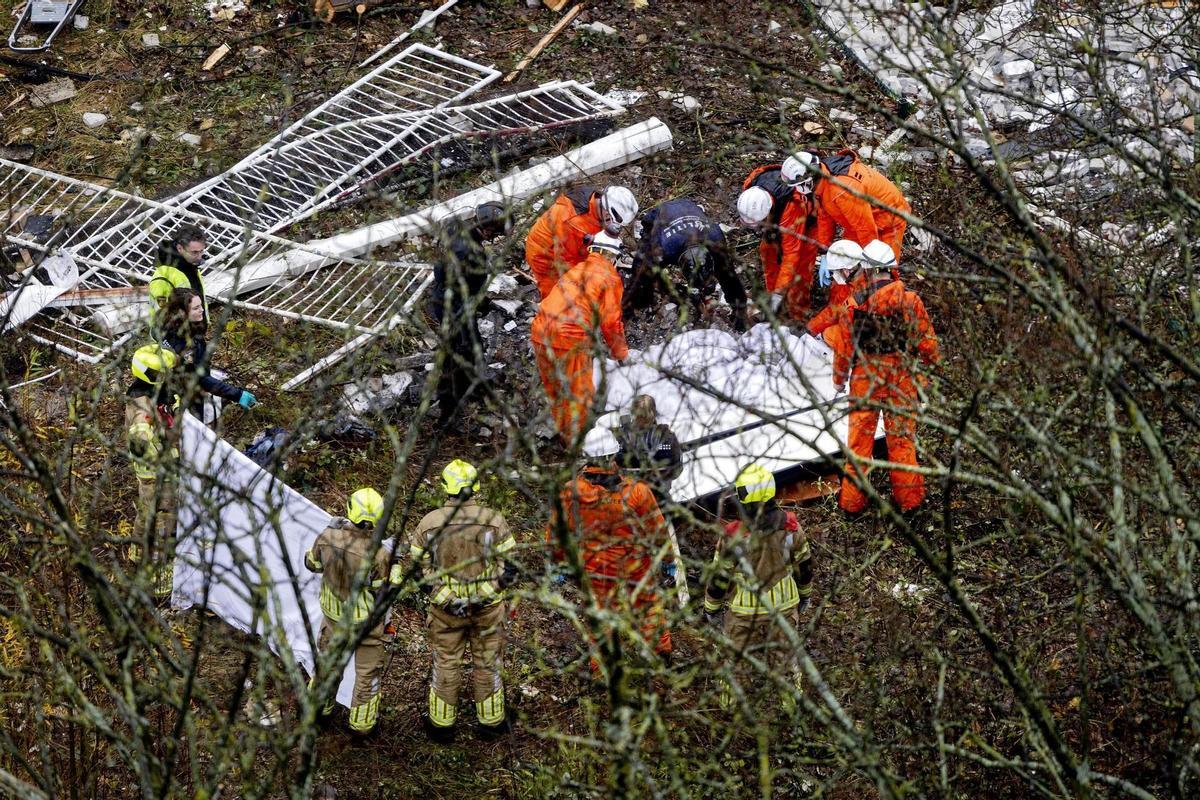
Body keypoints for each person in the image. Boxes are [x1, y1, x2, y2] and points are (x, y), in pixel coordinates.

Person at [409, 459, 517, 742]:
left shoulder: (429, 524)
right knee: (488, 663)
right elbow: (509, 568)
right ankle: (491, 724)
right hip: (487, 611)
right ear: (476, 487)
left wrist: (448, 599)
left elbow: (419, 571)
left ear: (445, 487)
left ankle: (441, 727)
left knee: (446, 662)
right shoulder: (493, 520)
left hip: (446, 613)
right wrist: (482, 597)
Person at [822, 254, 939, 514]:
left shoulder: (854, 305)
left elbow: (843, 351)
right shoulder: (910, 301)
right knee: (902, 443)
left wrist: (839, 380)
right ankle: (910, 503)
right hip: (901, 379)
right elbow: (928, 343)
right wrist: (932, 371)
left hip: (865, 382)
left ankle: (852, 505)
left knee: (859, 447)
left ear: (866, 269)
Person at [547, 443, 674, 677]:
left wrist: (558, 562)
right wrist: (667, 560)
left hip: (596, 567)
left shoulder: (570, 492)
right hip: (635, 565)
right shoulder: (637, 492)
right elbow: (657, 532)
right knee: (647, 608)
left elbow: (557, 533)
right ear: (614, 456)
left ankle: (602, 670)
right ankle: (660, 655)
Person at [703, 464, 812, 712]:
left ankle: (729, 710)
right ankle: (792, 709)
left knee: (735, 661)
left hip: (744, 612)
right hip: (784, 608)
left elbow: (719, 578)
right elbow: (805, 567)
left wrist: (712, 608)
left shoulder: (733, 536)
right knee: (786, 660)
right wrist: (805, 596)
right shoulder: (791, 528)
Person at [304, 488, 400, 737]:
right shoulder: (378, 553)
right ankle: (362, 727)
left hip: (333, 620)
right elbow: (385, 590)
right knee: (367, 675)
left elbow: (311, 564)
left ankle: (316, 715)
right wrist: (395, 565)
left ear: (350, 510)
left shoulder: (327, 536)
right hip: (366, 625)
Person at [530, 231, 630, 444]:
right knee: (578, 394)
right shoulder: (609, 277)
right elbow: (611, 322)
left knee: (556, 388)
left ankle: (565, 433)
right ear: (613, 255)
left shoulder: (576, 269)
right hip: (569, 337)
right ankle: (579, 445)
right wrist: (621, 353)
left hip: (540, 331)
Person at [428, 203, 509, 428]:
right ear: (488, 229)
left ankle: (473, 385)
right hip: (454, 307)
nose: (494, 238)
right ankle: (448, 414)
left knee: (473, 347)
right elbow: (472, 286)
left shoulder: (455, 227)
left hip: (447, 297)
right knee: (456, 356)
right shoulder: (471, 253)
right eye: (495, 233)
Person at [625, 198, 749, 331]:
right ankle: (639, 304)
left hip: (689, 206)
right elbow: (639, 272)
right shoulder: (663, 247)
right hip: (659, 214)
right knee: (644, 275)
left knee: (724, 271)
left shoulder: (715, 238)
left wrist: (740, 311)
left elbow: (730, 278)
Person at [125, 343, 182, 601]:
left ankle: (137, 553)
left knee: (146, 511)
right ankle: (161, 581)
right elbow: (140, 443)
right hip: (156, 473)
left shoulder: (154, 394)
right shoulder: (142, 409)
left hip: (153, 471)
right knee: (164, 521)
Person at [784, 149, 910, 263]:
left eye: (797, 185)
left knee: (883, 266)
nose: (797, 189)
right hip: (860, 219)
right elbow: (825, 216)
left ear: (806, 181)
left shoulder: (842, 190)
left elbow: (865, 227)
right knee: (845, 262)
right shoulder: (823, 180)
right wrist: (824, 250)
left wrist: (871, 259)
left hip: (889, 218)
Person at [524, 185, 638, 299]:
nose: (611, 225)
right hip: (544, 254)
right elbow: (570, 263)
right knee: (557, 296)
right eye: (611, 221)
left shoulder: (594, 201)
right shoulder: (574, 223)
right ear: (607, 212)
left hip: (568, 245)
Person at [738, 161, 818, 318]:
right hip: (776, 222)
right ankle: (773, 299)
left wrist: (779, 293)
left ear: (768, 213)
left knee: (801, 267)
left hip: (807, 224)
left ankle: (797, 312)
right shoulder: (751, 187)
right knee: (768, 253)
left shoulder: (792, 205)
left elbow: (791, 254)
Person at [159, 288, 256, 416]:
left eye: (201, 305)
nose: (202, 310)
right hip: (180, 395)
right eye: (196, 308)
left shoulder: (179, 327)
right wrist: (237, 394)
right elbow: (199, 378)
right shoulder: (181, 344)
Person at [613, 394, 682, 504]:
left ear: (652, 415)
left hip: (657, 494)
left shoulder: (665, 436)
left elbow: (675, 466)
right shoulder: (623, 435)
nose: (641, 421)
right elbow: (615, 459)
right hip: (629, 493)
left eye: (644, 416)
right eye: (638, 416)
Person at [149, 225, 209, 327]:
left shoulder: (191, 266)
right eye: (194, 252)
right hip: (178, 334)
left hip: (195, 330)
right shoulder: (164, 275)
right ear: (180, 248)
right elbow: (160, 316)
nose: (200, 257)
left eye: (201, 251)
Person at [804, 239, 866, 338]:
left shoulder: (862, 291)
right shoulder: (853, 284)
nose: (835, 275)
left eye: (837, 271)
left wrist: (816, 331)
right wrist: (811, 328)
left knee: (829, 334)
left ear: (846, 271)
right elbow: (834, 308)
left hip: (864, 335)